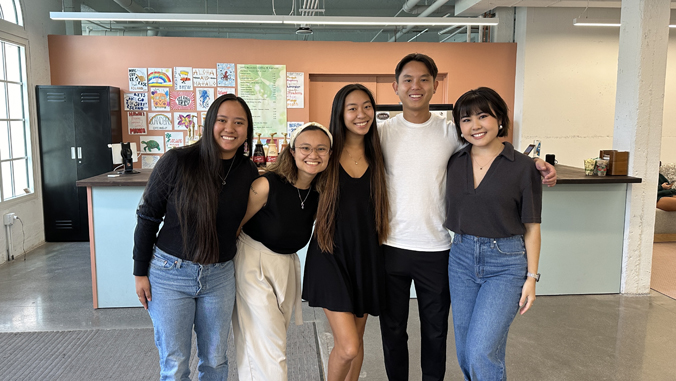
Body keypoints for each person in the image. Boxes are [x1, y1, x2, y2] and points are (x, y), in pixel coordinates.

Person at [377, 53, 556, 381]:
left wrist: (534, 164)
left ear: (435, 87)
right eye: (407, 80)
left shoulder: (449, 133)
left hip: (441, 249)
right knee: (399, 333)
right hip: (397, 247)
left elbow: (492, 148)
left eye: (424, 80)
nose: (415, 87)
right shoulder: (382, 133)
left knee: (447, 337)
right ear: (396, 87)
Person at [133, 93, 258, 380]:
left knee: (215, 360)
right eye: (222, 120)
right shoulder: (178, 161)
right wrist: (140, 272)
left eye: (239, 122)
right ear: (209, 122)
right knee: (175, 364)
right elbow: (148, 216)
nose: (230, 128)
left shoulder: (248, 170)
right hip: (169, 275)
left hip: (220, 276)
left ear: (247, 130)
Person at [445, 87, 542, 380]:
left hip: (506, 262)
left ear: (500, 119)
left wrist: (532, 278)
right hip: (460, 258)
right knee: (464, 351)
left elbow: (533, 228)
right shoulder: (454, 161)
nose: (475, 126)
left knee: (481, 350)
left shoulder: (524, 167)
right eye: (466, 119)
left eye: (483, 116)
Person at [232, 122, 333, 381]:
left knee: (266, 341)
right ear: (292, 151)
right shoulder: (267, 184)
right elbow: (234, 225)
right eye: (306, 148)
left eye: (322, 149)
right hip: (252, 263)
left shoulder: (320, 190)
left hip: (286, 265)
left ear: (330, 154)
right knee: (271, 343)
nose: (313, 155)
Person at [302, 84, 390, 381]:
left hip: (367, 255)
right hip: (330, 255)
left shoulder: (379, 154)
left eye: (367, 106)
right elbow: (289, 176)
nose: (361, 114)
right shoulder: (324, 152)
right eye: (352, 108)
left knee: (357, 338)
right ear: (340, 113)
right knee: (348, 346)